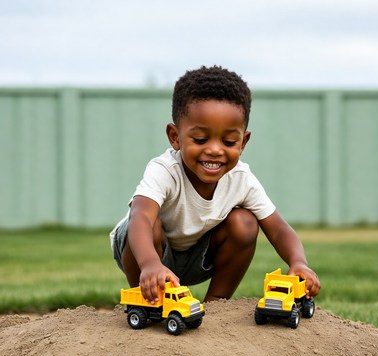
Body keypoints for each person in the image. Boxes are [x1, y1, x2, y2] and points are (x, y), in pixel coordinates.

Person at [110, 65, 320, 304]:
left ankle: (216, 305)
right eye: (200, 139)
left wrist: (298, 262)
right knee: (151, 224)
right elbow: (141, 217)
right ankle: (147, 301)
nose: (214, 150)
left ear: (243, 142)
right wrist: (149, 263)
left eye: (229, 141)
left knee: (245, 222)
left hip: (198, 256)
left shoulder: (241, 179)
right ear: (175, 137)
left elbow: (279, 228)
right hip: (144, 252)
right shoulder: (164, 170)